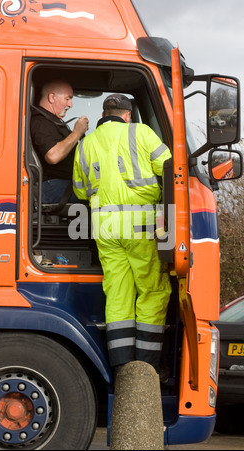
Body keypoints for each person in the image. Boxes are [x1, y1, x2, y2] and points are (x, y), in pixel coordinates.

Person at [73, 93, 172, 374]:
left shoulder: (85, 144)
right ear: (127, 115)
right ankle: (146, 367)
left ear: (104, 114)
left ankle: (122, 367)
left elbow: (80, 190)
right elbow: (171, 170)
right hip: (142, 225)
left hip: (104, 228)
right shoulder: (141, 132)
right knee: (152, 290)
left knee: (117, 294)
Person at [30, 79, 89, 204]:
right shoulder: (40, 122)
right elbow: (53, 156)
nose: (71, 104)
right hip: (53, 186)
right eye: (67, 98)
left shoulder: (52, 121)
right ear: (52, 97)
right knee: (102, 195)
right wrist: (77, 133)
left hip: (61, 184)